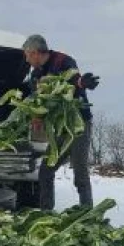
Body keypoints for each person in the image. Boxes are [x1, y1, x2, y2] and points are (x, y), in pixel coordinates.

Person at [20, 34, 100, 209]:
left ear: (34, 52)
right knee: (46, 171)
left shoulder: (63, 61)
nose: (26, 59)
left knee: (80, 172)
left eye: (27, 55)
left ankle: (88, 214)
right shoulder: (36, 75)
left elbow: (73, 81)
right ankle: (45, 213)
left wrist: (82, 82)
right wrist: (36, 117)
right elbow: (38, 100)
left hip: (78, 124)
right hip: (60, 128)